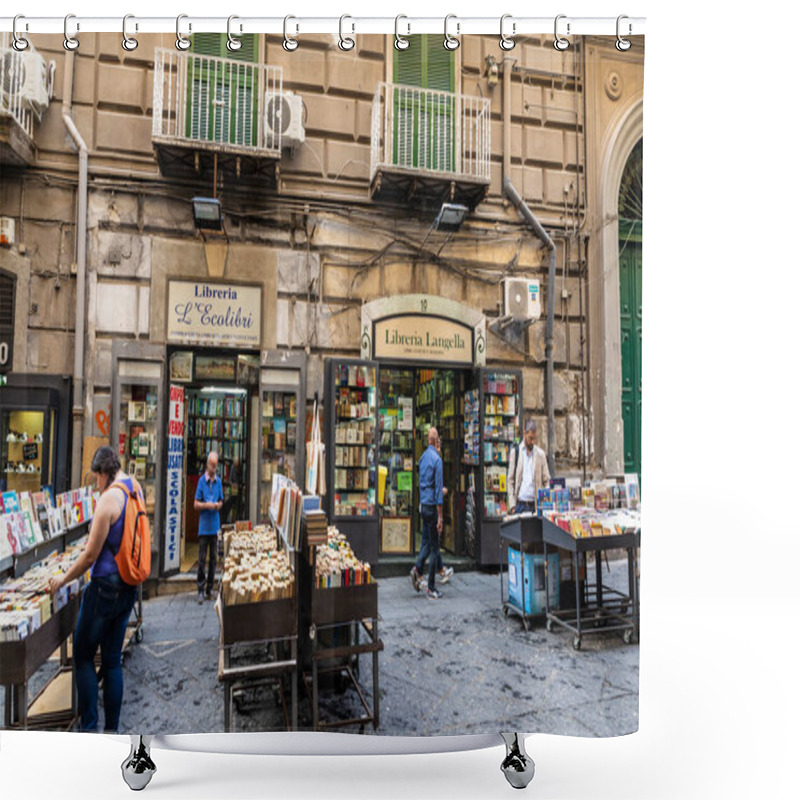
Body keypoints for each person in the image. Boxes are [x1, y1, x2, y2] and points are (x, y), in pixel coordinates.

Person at [47, 445, 139, 732]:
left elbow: (89, 556)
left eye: (96, 477)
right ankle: (112, 731)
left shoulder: (108, 500)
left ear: (103, 472)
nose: (96, 484)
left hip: (104, 588)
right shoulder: (134, 487)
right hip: (129, 586)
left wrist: (63, 579)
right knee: (112, 660)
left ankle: (89, 729)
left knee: (84, 655)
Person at [410, 427, 445, 599]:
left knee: (427, 543)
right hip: (431, 506)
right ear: (436, 440)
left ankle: (417, 568)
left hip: (423, 504)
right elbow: (438, 490)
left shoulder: (423, 458)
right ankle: (431, 586)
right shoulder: (437, 460)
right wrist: (441, 516)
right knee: (434, 548)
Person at [194, 451, 224, 604]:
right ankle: (200, 588)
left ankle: (209, 588)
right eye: (212, 465)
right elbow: (195, 504)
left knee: (213, 559)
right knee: (201, 558)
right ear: (207, 465)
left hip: (215, 525)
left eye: (216, 465)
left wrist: (217, 505)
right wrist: (207, 505)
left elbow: (221, 500)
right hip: (204, 526)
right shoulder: (201, 482)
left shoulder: (218, 482)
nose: (214, 468)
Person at [507, 418, 551, 514]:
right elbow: (510, 480)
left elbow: (547, 480)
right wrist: (512, 506)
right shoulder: (515, 453)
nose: (532, 442)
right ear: (524, 433)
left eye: (534, 438)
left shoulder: (540, 455)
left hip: (534, 507)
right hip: (519, 506)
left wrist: (545, 501)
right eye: (530, 438)